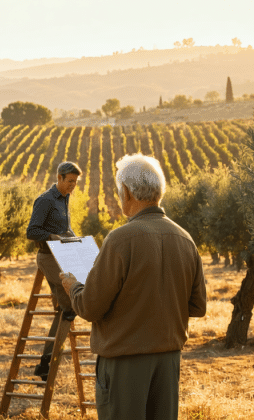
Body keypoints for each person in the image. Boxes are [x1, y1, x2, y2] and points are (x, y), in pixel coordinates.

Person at [60, 154, 207, 420]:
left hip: (123, 364)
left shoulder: (120, 240)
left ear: (126, 193)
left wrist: (73, 286)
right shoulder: (185, 239)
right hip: (168, 361)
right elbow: (197, 306)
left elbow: (90, 307)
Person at [26, 161, 82, 380]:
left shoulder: (65, 197)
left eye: (75, 182)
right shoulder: (45, 200)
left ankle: (44, 364)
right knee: (69, 307)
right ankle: (45, 363)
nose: (72, 186)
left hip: (64, 254)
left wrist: (74, 238)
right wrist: (52, 237)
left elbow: (64, 228)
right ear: (59, 178)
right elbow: (31, 231)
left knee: (64, 312)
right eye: (70, 181)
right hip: (49, 257)